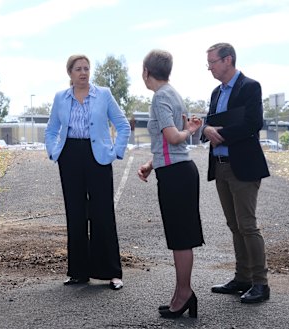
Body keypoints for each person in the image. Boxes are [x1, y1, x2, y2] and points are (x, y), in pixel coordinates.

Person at [45, 54, 131, 290]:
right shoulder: (60, 98)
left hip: (98, 158)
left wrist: (115, 152)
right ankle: (78, 272)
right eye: (78, 69)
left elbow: (122, 125)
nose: (83, 73)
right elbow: (52, 129)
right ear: (70, 73)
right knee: (75, 213)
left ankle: (111, 272)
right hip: (70, 155)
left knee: (103, 213)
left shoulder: (103, 94)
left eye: (86, 68)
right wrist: (54, 152)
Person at [136, 49, 204, 318]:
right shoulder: (173, 94)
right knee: (180, 238)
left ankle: (185, 294)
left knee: (181, 239)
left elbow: (174, 137)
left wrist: (190, 131)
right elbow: (167, 144)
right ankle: (180, 293)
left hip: (177, 175)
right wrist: (151, 164)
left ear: (146, 72)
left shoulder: (161, 97)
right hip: (176, 169)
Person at [201, 43, 271, 303]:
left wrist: (218, 134)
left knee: (248, 226)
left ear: (228, 60)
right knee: (234, 225)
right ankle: (242, 278)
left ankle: (261, 284)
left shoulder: (250, 86)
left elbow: (253, 123)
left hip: (243, 167)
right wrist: (205, 129)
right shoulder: (215, 92)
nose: (209, 67)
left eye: (212, 62)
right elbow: (208, 122)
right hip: (220, 167)